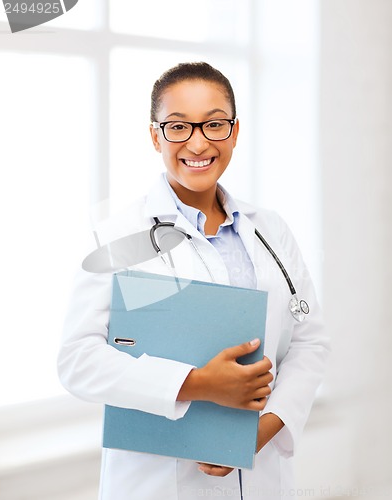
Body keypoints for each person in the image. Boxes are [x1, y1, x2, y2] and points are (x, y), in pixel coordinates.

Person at [58, 62, 330, 499]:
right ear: (154, 136)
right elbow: (78, 360)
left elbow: (309, 342)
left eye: (215, 124)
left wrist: (261, 430)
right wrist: (197, 384)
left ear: (235, 131)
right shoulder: (120, 237)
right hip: (160, 481)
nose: (198, 142)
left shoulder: (271, 229)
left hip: (262, 477)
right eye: (178, 127)